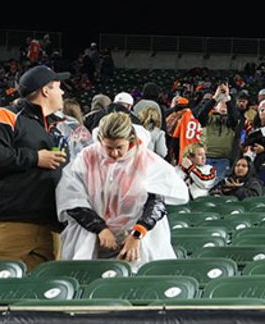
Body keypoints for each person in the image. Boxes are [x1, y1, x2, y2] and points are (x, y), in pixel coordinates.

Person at [56, 112, 189, 266]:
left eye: (120, 147)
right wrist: (100, 228)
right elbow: (72, 199)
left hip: (138, 237)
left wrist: (138, 233)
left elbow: (156, 202)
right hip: (95, 236)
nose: (114, 153)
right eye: (108, 148)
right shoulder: (86, 158)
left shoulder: (147, 161)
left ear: (130, 140)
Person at [0, 65, 70, 269]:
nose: (62, 92)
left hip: (49, 228)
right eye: (58, 87)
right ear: (46, 91)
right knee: (2, 294)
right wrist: (34, 158)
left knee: (41, 296)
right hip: (10, 226)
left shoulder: (54, 127)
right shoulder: (5, 115)